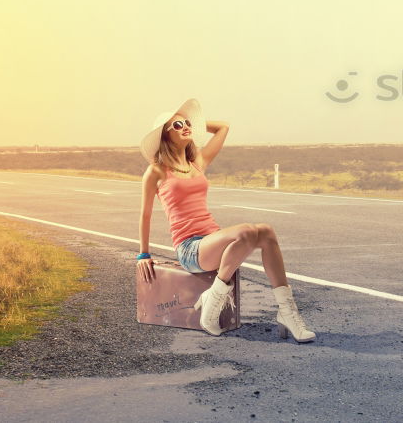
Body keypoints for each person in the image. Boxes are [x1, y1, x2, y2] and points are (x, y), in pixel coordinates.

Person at [135, 98, 315, 342]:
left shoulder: (196, 163)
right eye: (177, 126)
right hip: (191, 248)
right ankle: (214, 297)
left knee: (267, 232)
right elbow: (145, 214)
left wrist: (192, 123)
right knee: (248, 231)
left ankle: (287, 312)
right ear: (164, 136)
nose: (185, 127)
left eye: (187, 123)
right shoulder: (155, 171)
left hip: (215, 240)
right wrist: (143, 254)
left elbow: (223, 127)